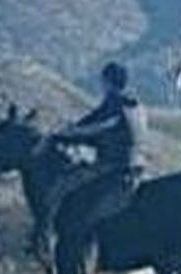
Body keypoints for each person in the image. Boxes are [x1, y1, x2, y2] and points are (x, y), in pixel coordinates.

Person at [38, 61, 148, 243]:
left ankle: (48, 233)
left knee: (62, 184)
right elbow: (96, 124)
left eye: (103, 81)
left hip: (114, 166)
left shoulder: (114, 104)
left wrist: (62, 135)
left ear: (108, 82)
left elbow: (94, 127)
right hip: (138, 166)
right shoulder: (137, 106)